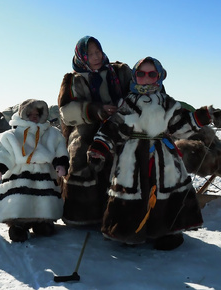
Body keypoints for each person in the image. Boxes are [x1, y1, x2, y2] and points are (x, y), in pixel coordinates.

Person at [87, 56, 221, 250]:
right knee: (132, 190)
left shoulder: (167, 102)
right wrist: (99, 148)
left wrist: (205, 115)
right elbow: (112, 127)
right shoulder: (126, 102)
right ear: (135, 76)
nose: (147, 78)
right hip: (131, 155)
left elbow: (181, 126)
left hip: (163, 154)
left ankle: (166, 232)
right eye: (141, 74)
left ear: (159, 76)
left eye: (152, 74)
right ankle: (129, 231)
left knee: (165, 189)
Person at [57, 35, 132, 226]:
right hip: (86, 128)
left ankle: (123, 214)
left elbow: (136, 91)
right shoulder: (73, 80)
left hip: (120, 123)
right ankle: (84, 215)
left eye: (98, 51)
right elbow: (66, 112)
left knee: (128, 157)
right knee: (81, 155)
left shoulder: (119, 71)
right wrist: (94, 110)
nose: (96, 56)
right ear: (82, 56)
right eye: (90, 54)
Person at [0, 99, 69, 242]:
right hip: (20, 173)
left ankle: (43, 221)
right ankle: (18, 225)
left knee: (44, 199)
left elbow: (59, 149)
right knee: (20, 199)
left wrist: (60, 164)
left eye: (37, 113)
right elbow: (2, 152)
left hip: (44, 172)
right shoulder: (10, 135)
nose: (34, 116)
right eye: (30, 113)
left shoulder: (52, 133)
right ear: (22, 114)